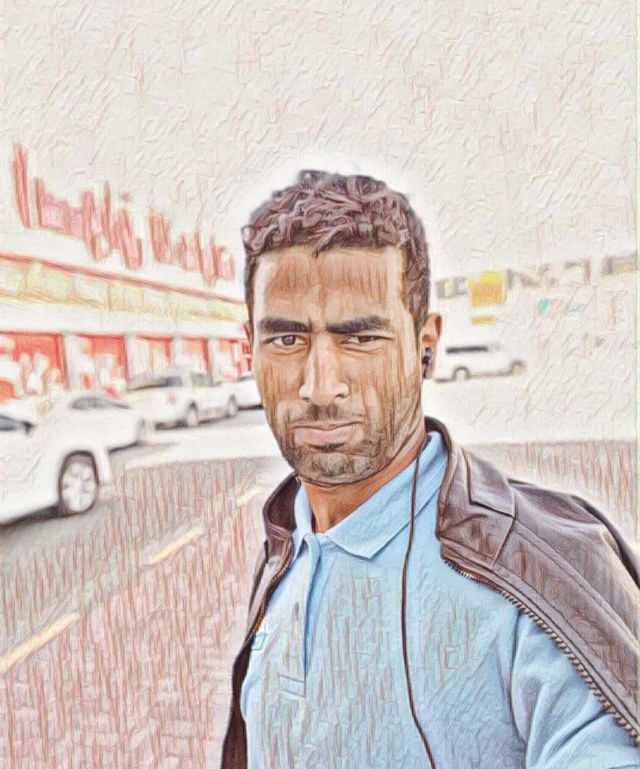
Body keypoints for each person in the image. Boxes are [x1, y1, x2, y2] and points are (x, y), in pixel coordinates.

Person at [221, 171, 639, 768]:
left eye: (360, 337)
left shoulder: (536, 570)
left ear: (426, 344)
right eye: (287, 339)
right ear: (250, 347)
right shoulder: (287, 538)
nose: (319, 386)